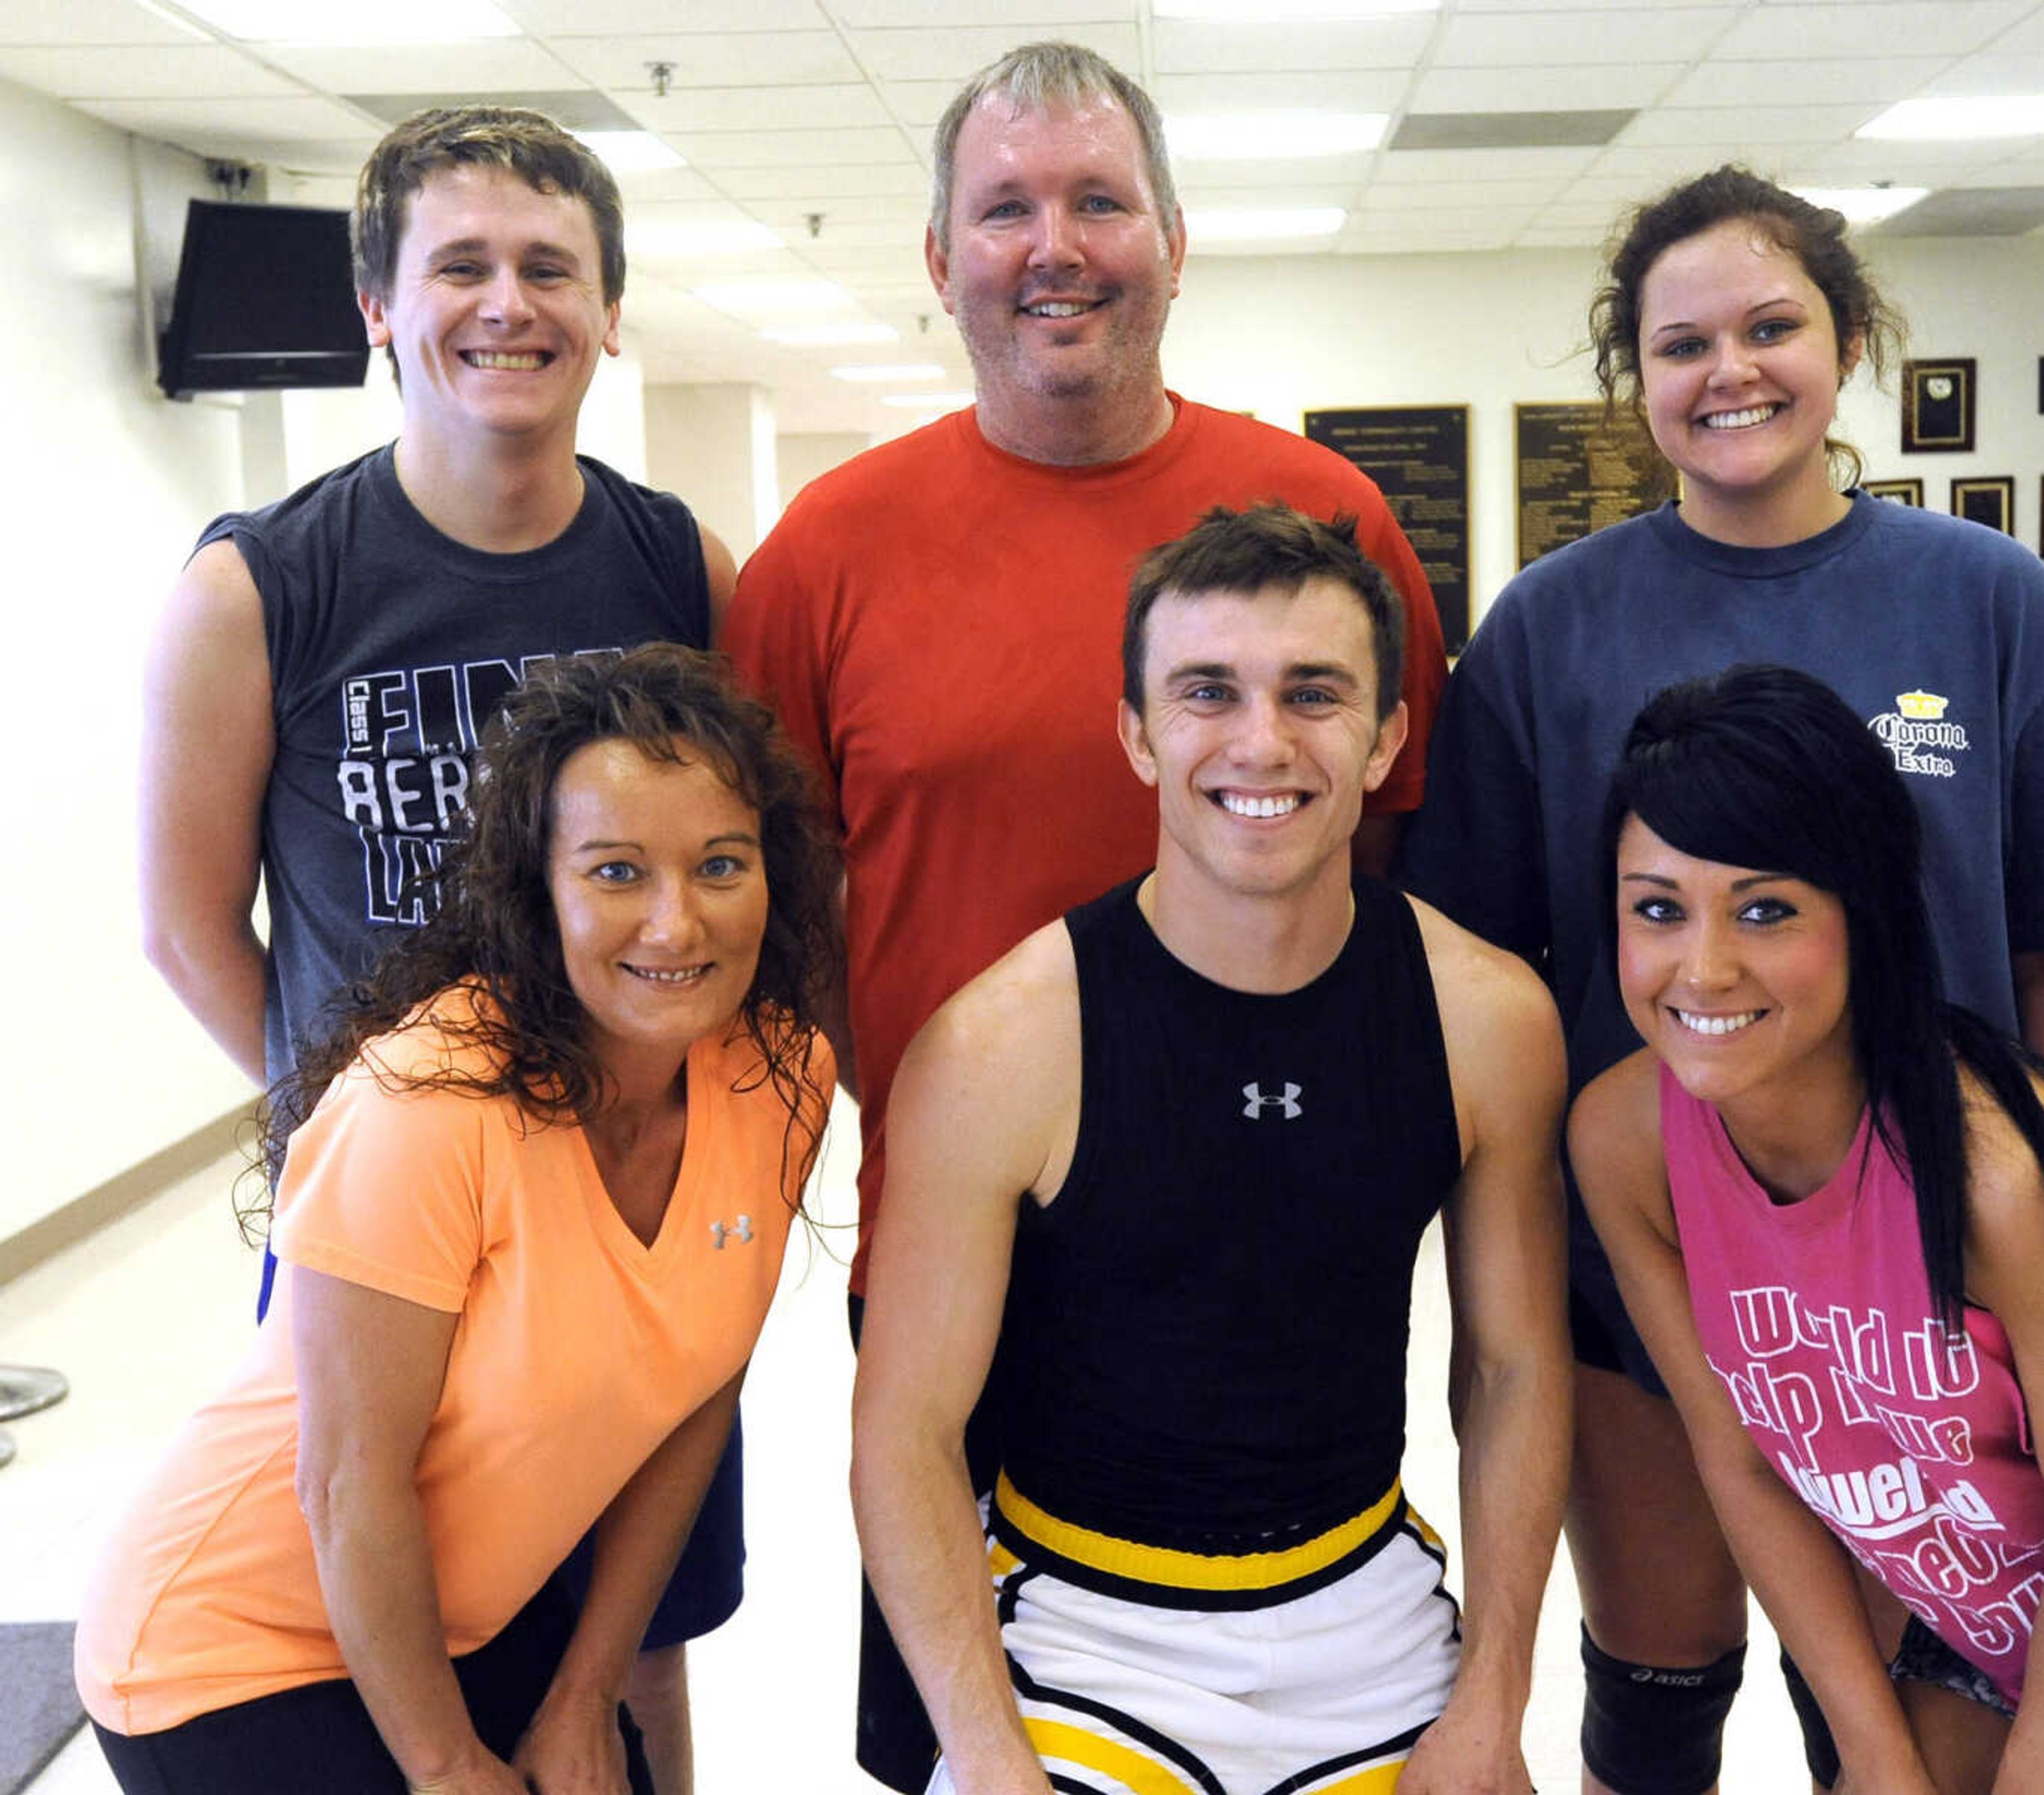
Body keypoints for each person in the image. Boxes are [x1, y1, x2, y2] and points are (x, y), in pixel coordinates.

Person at [719, 40, 1450, 1791]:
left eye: (1101, 201)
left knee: (1291, 1702)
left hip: (1274, 1252)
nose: (1056, 245)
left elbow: (1401, 858)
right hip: (958, 1261)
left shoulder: (1322, 516)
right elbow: (761, 897)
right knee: (973, 1744)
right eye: (1007, 208)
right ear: (941, 257)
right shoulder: (827, 550)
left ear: (1176, 241)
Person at [1396, 164, 2044, 1795]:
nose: (1728, 371)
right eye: (1682, 344)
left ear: (1850, 341)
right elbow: (1477, 974)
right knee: (1656, 1698)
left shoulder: (1992, 602)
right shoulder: (1548, 629)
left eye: (1771, 327)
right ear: (1635, 378)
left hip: (1931, 1292)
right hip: (1649, 1265)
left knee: (1894, 1720)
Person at [136, 104, 739, 1784]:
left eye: (551, 267)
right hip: (397, 1245)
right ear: (380, 309)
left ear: (611, 311)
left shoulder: (674, 560)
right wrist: (371, 1121)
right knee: (383, 1621)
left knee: (631, 1647)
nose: (509, 302)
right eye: (459, 265)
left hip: (628, 1217)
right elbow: (190, 930)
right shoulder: (267, 586)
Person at [851, 504, 1569, 1795]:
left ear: (1390, 732)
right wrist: (986, 1755)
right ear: (1136, 732)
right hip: (1082, 1623)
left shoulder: (1490, 1018)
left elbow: (1515, 1366)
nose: (1262, 742)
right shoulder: (1000, 1045)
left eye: (1314, 694)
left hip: (1366, 1607)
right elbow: (905, 1427)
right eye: (1205, 693)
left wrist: (1496, 1701)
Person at [80, 645, 838, 1795]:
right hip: (229, 1647)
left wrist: (588, 1689)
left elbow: (700, 1395)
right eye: (618, 871)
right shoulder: (427, 1103)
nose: (677, 925)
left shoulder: (779, 1074)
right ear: (538, 888)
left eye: (720, 865)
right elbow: (348, 1482)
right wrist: (442, 1769)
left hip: (469, 1625)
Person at [1569, 663, 2044, 1795]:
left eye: (1767, 910)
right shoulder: (1624, 1142)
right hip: (2004, 1629)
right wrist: (1870, 1754)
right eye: (1657, 909)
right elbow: (1747, 1466)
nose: (1703, 968)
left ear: (1861, 915)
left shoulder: (2011, 1175)